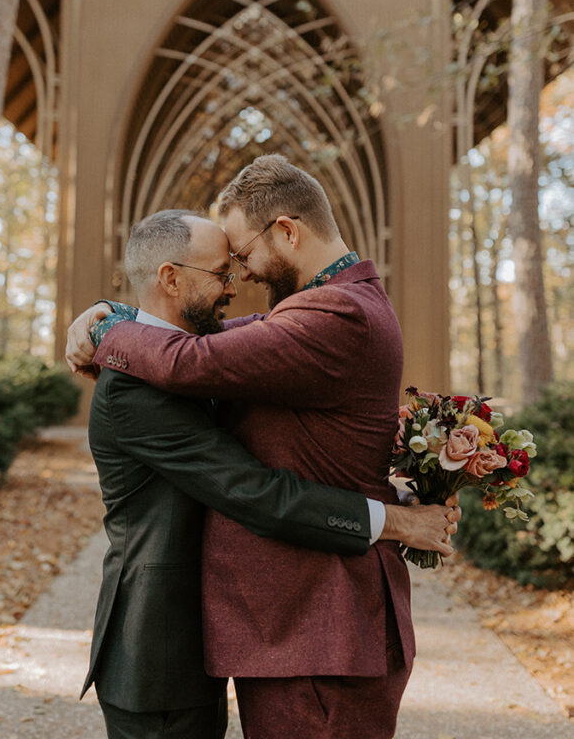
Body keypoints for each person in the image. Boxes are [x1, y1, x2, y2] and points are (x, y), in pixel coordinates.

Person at [67, 155, 459, 739]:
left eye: (241, 256)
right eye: (224, 269)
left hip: (321, 628)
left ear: (287, 231)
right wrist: (119, 310)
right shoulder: (329, 304)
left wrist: (105, 330)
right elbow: (205, 342)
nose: (240, 278)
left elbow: (189, 359)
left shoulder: (337, 313)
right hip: (300, 630)